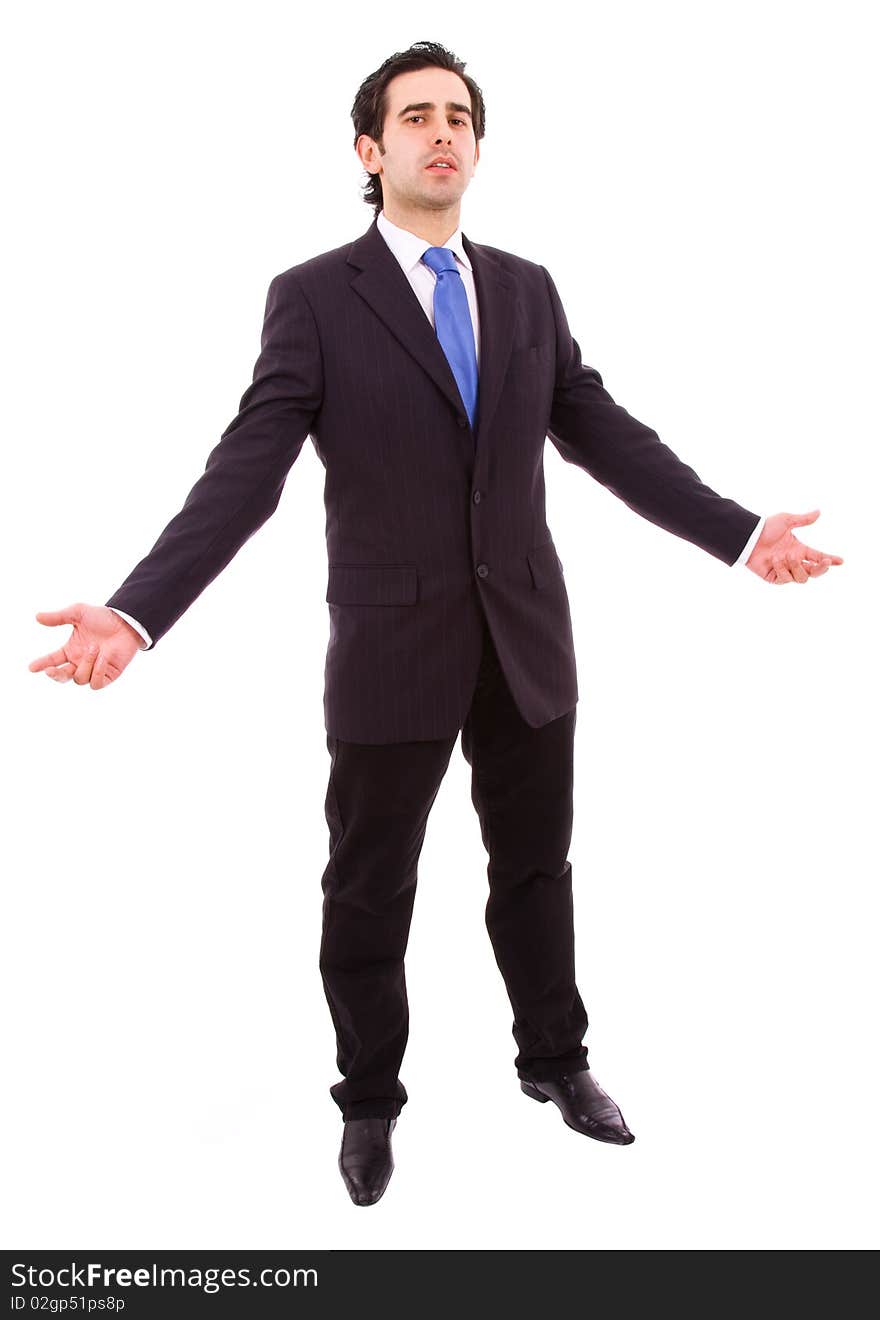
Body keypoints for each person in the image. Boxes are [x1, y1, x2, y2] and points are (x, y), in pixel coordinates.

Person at [28, 41, 843, 1207]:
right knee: (369, 888)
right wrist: (136, 608)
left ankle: (555, 1064)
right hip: (389, 649)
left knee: (536, 873)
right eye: (415, 117)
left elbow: (604, 432)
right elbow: (246, 471)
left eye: (458, 115)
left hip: (524, 642)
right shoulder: (313, 297)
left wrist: (737, 529)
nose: (441, 132)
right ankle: (368, 1104)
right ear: (372, 151)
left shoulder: (525, 287)